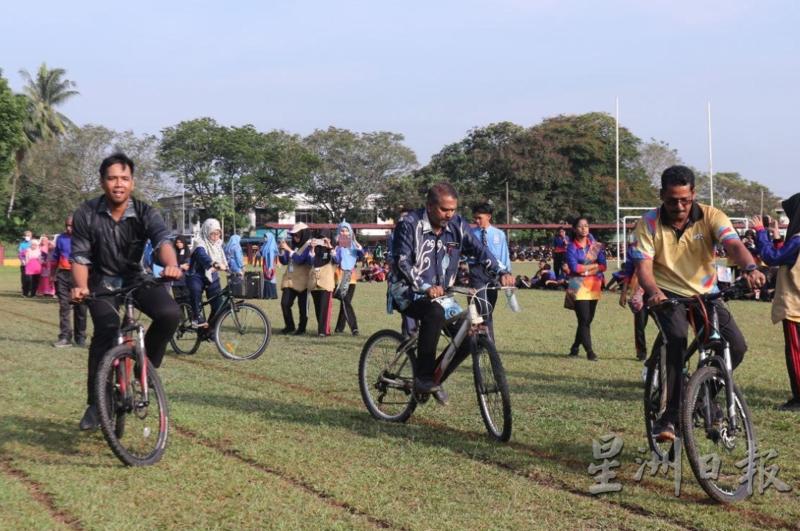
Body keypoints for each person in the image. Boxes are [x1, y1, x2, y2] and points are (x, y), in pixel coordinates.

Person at [630, 165, 765, 441]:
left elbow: (734, 245)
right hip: (667, 296)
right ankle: (670, 417)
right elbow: (643, 268)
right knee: (677, 340)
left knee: (735, 346)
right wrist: (653, 292)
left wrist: (750, 268)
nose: (679, 206)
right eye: (671, 200)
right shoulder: (649, 223)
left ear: (693, 194)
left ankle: (702, 394)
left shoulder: (711, 216)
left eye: (685, 200)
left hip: (706, 295)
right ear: (661, 195)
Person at [71, 153, 182, 431]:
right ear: (102, 181)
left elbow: (162, 241)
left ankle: (145, 366)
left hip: (136, 278)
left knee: (170, 314)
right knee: (106, 333)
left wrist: (171, 265)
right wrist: (82, 285)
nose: (118, 184)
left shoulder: (145, 212)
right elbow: (80, 257)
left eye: (124, 178)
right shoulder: (86, 213)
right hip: (102, 282)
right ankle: (97, 403)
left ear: (132, 182)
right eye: (112, 178)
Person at [389, 182, 515, 401]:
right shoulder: (409, 224)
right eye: (444, 210)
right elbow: (402, 262)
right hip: (407, 291)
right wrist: (425, 287)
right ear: (429, 206)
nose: (449, 215)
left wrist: (501, 271)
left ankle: (433, 381)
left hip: (442, 295)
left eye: (453, 209)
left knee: (467, 339)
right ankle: (424, 377)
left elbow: (480, 251)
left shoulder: (458, 225)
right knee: (434, 313)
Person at [751, 195, 800, 411]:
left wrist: (761, 232)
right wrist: (778, 238)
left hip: (795, 304)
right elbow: (789, 258)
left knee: (795, 352)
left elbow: (772, 258)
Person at [468, 203, 512, 340]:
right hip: (477, 273)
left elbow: (504, 255)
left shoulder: (499, 234)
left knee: (488, 310)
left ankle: (485, 341)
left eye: (479, 218)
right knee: (482, 308)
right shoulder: (470, 235)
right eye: (475, 218)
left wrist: (507, 273)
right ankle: (487, 342)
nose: (476, 221)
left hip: (494, 274)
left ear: (488, 217)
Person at [566, 217, 606, 361]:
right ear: (575, 229)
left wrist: (586, 270)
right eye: (580, 226)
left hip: (594, 286)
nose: (584, 229)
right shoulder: (571, 247)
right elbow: (574, 268)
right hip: (578, 286)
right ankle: (590, 352)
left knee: (587, 320)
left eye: (586, 226)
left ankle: (575, 346)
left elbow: (603, 266)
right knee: (583, 320)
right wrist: (592, 267)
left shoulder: (596, 246)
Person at [51, 216, 87, 348]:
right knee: (64, 307)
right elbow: (55, 257)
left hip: (80, 275)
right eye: (67, 225)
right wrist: (52, 275)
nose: (68, 228)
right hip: (63, 275)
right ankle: (65, 337)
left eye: (71, 226)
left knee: (81, 307)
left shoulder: (85, 238)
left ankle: (80, 337)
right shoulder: (61, 238)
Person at [186, 219, 228, 327]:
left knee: (219, 305)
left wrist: (234, 269)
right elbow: (202, 255)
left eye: (218, 233)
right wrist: (213, 264)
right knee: (196, 290)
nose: (215, 236)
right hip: (196, 275)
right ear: (206, 232)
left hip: (212, 276)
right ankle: (196, 317)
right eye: (212, 233)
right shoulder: (199, 243)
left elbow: (224, 259)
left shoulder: (218, 245)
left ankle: (210, 330)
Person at [296, 233, 335, 337]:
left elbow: (337, 260)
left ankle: (323, 331)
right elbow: (309, 262)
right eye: (319, 239)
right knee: (318, 307)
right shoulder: (313, 249)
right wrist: (312, 249)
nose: (320, 241)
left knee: (324, 307)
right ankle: (322, 329)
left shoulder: (330, 248)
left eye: (323, 239)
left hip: (326, 282)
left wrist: (330, 246)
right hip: (314, 282)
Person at [279, 222, 312, 335]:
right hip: (290, 280)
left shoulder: (309, 246)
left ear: (304, 234)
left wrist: (288, 250)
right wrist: (282, 250)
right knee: (285, 304)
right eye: (293, 235)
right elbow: (284, 261)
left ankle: (301, 329)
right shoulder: (293, 245)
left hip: (303, 281)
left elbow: (300, 259)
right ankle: (289, 326)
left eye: (297, 234)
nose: (295, 237)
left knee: (303, 308)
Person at [333, 221, 364, 335]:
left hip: (351, 278)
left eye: (346, 230)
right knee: (345, 302)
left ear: (350, 232)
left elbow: (361, 257)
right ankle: (350, 328)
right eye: (342, 230)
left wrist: (359, 247)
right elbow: (336, 260)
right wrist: (335, 252)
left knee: (346, 302)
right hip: (339, 277)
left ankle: (343, 328)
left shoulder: (354, 246)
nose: (344, 232)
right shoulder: (336, 246)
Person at [618, 257, 648, 361]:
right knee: (640, 324)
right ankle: (641, 353)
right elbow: (628, 274)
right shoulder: (634, 250)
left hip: (658, 290)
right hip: (639, 292)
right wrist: (623, 293)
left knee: (664, 325)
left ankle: (667, 351)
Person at [258, 232, 279, 299]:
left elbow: (271, 257)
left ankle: (271, 295)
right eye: (264, 237)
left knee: (270, 278)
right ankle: (267, 295)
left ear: (269, 238)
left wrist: (270, 267)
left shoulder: (271, 247)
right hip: (265, 263)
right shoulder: (265, 245)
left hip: (269, 264)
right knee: (266, 278)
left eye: (266, 237)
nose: (264, 238)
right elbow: (260, 252)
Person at [171, 235, 191, 300]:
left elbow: (187, 266)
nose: (178, 244)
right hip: (175, 280)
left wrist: (177, 265)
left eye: (180, 242)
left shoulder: (187, 252)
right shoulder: (174, 252)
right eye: (177, 242)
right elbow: (171, 264)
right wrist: (181, 266)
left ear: (184, 242)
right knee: (178, 301)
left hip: (185, 280)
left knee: (187, 300)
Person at [17, 230, 33, 295]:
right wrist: (22, 260)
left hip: (32, 264)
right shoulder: (22, 244)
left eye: (29, 235)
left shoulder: (34, 243)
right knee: (24, 278)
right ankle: (24, 291)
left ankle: (30, 290)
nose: (27, 237)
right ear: (24, 236)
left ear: (31, 236)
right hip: (24, 264)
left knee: (31, 278)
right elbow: (19, 253)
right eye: (26, 235)